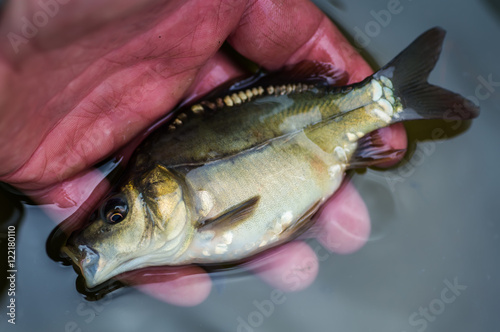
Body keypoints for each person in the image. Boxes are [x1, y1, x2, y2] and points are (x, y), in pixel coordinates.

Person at [0, 0, 406, 306]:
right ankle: (384, 99)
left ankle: (384, 99)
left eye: (116, 212)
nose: (94, 235)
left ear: (161, 189)